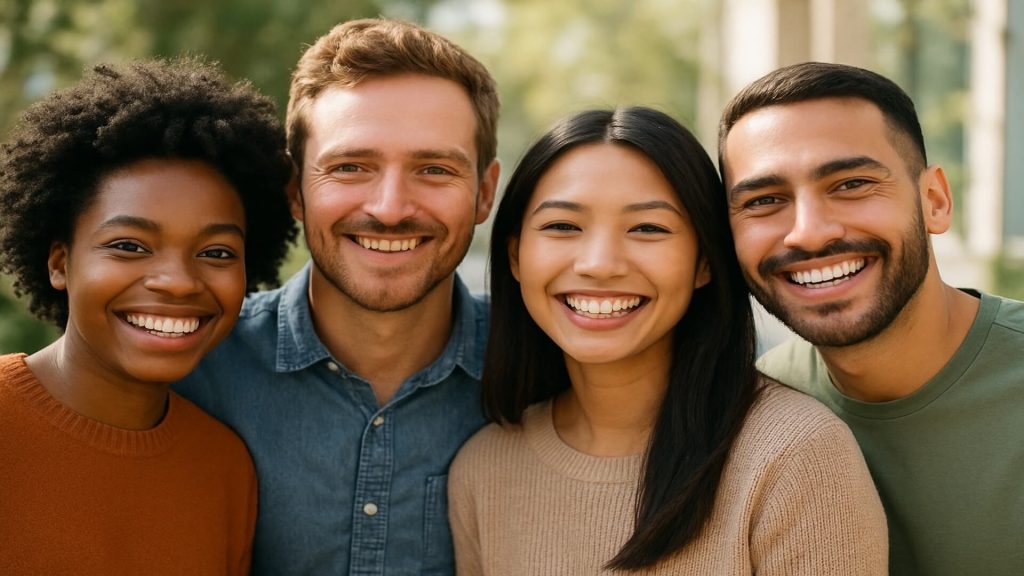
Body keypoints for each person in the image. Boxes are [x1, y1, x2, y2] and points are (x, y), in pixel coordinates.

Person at [448, 106, 886, 574]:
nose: (600, 264)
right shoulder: (483, 469)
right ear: (515, 256)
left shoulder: (794, 455)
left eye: (648, 229)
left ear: (704, 262)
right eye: (563, 227)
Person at [174, 18, 500, 575]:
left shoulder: (547, 369)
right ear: (295, 190)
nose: (390, 209)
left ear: (484, 193)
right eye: (350, 167)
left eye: (433, 169)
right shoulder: (194, 366)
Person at [719, 61, 1024, 576]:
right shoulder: (752, 416)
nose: (809, 233)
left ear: (934, 201)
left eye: (851, 184)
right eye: (765, 200)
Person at [0, 58, 297, 575]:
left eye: (217, 253)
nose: (179, 282)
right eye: (130, 245)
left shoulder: (225, 468)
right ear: (60, 263)